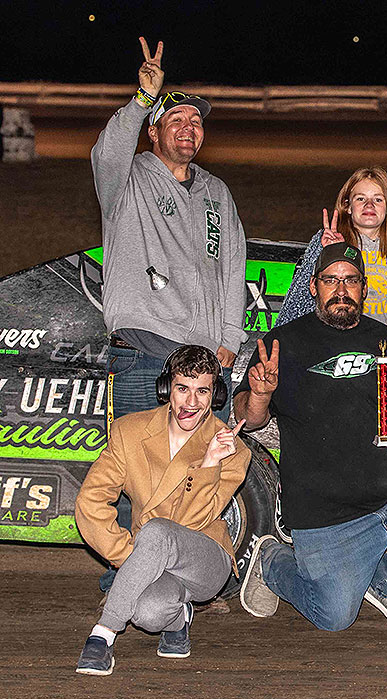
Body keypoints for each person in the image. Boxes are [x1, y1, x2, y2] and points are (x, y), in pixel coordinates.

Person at [234, 242, 387, 630]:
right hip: (329, 520)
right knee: (332, 616)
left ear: (364, 289)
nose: (341, 289)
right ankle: (271, 559)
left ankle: (386, 581)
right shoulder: (280, 344)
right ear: (314, 286)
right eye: (331, 280)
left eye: (350, 280)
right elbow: (247, 421)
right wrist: (260, 395)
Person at [92, 38, 245, 420]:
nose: (188, 127)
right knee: (140, 475)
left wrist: (228, 338)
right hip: (143, 351)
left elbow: (233, 264)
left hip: (204, 365)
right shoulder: (128, 179)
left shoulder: (217, 192)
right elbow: (108, 152)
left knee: (203, 477)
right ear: (154, 133)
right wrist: (144, 97)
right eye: (175, 120)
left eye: (195, 121)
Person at [74, 346, 251, 675]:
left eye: (202, 391)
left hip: (206, 557)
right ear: (167, 387)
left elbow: (193, 521)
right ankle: (177, 619)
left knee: (156, 530)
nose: (192, 402)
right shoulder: (129, 432)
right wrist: (129, 557)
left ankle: (103, 634)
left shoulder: (231, 449)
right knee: (147, 612)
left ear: (216, 395)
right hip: (150, 554)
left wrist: (210, 462)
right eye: (183, 388)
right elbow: (91, 500)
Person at [277, 167, 387, 332]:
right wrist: (327, 253)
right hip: (338, 341)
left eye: (378, 200)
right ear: (347, 206)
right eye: (361, 198)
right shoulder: (326, 239)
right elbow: (298, 301)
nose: (369, 205)